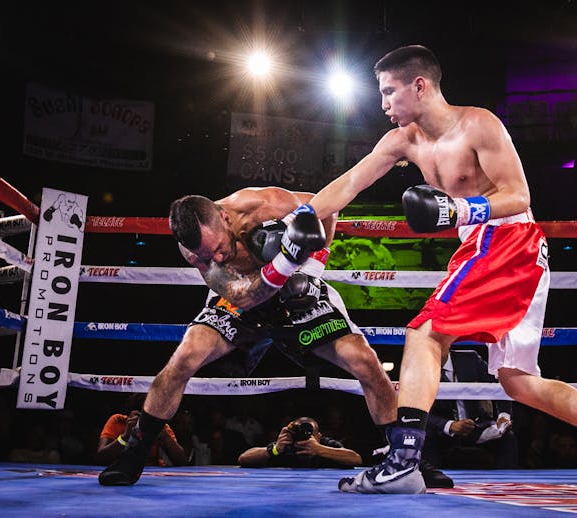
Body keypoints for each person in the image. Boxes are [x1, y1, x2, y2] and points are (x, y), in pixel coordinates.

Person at [301, 44, 577, 493]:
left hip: (507, 239)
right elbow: (348, 185)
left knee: (425, 333)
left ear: (420, 86)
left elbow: (519, 195)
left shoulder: (478, 124)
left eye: (389, 91)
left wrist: (459, 210)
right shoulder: (403, 141)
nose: (383, 104)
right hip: (503, 250)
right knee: (517, 383)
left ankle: (402, 461)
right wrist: (293, 221)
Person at [98, 188, 396, 485]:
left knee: (365, 360)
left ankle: (400, 459)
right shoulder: (193, 249)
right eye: (206, 255)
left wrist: (314, 267)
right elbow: (239, 296)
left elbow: (329, 207)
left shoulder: (264, 205)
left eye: (218, 248)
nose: (215, 257)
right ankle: (134, 454)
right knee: (184, 357)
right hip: (241, 295)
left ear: (224, 217)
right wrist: (268, 273)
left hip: (295, 291)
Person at [422, 349, 517, 487]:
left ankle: (508, 485)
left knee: (507, 437)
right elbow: (416, 408)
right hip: (441, 433)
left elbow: (499, 384)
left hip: (477, 428)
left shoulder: (470, 359)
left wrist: (503, 416)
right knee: (425, 438)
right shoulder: (419, 368)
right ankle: (432, 486)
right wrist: (449, 425)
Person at [238, 416, 362, 468]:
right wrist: (275, 449)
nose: (305, 438)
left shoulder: (326, 445)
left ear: (319, 437)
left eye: (310, 434)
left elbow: (356, 459)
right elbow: (243, 458)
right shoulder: (286, 445)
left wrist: (319, 450)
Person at [96, 405, 187, 467]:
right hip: (120, 469)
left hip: (151, 473)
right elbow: (101, 459)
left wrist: (165, 437)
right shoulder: (119, 420)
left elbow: (182, 462)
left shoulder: (159, 425)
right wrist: (126, 436)